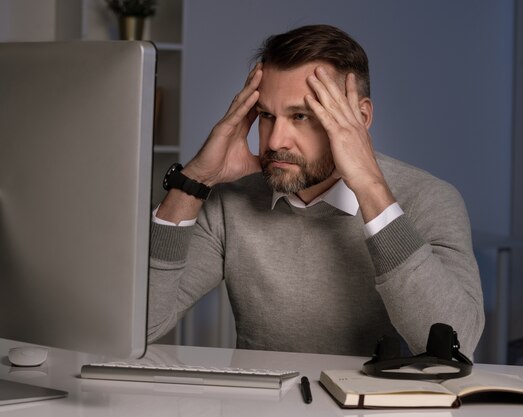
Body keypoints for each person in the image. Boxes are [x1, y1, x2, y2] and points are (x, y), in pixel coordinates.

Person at [148, 24, 484, 357]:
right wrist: (194, 180)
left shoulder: (429, 199)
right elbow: (143, 324)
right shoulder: (232, 200)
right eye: (266, 115)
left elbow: (457, 346)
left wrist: (370, 189)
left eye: (301, 116)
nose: (276, 141)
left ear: (361, 117)